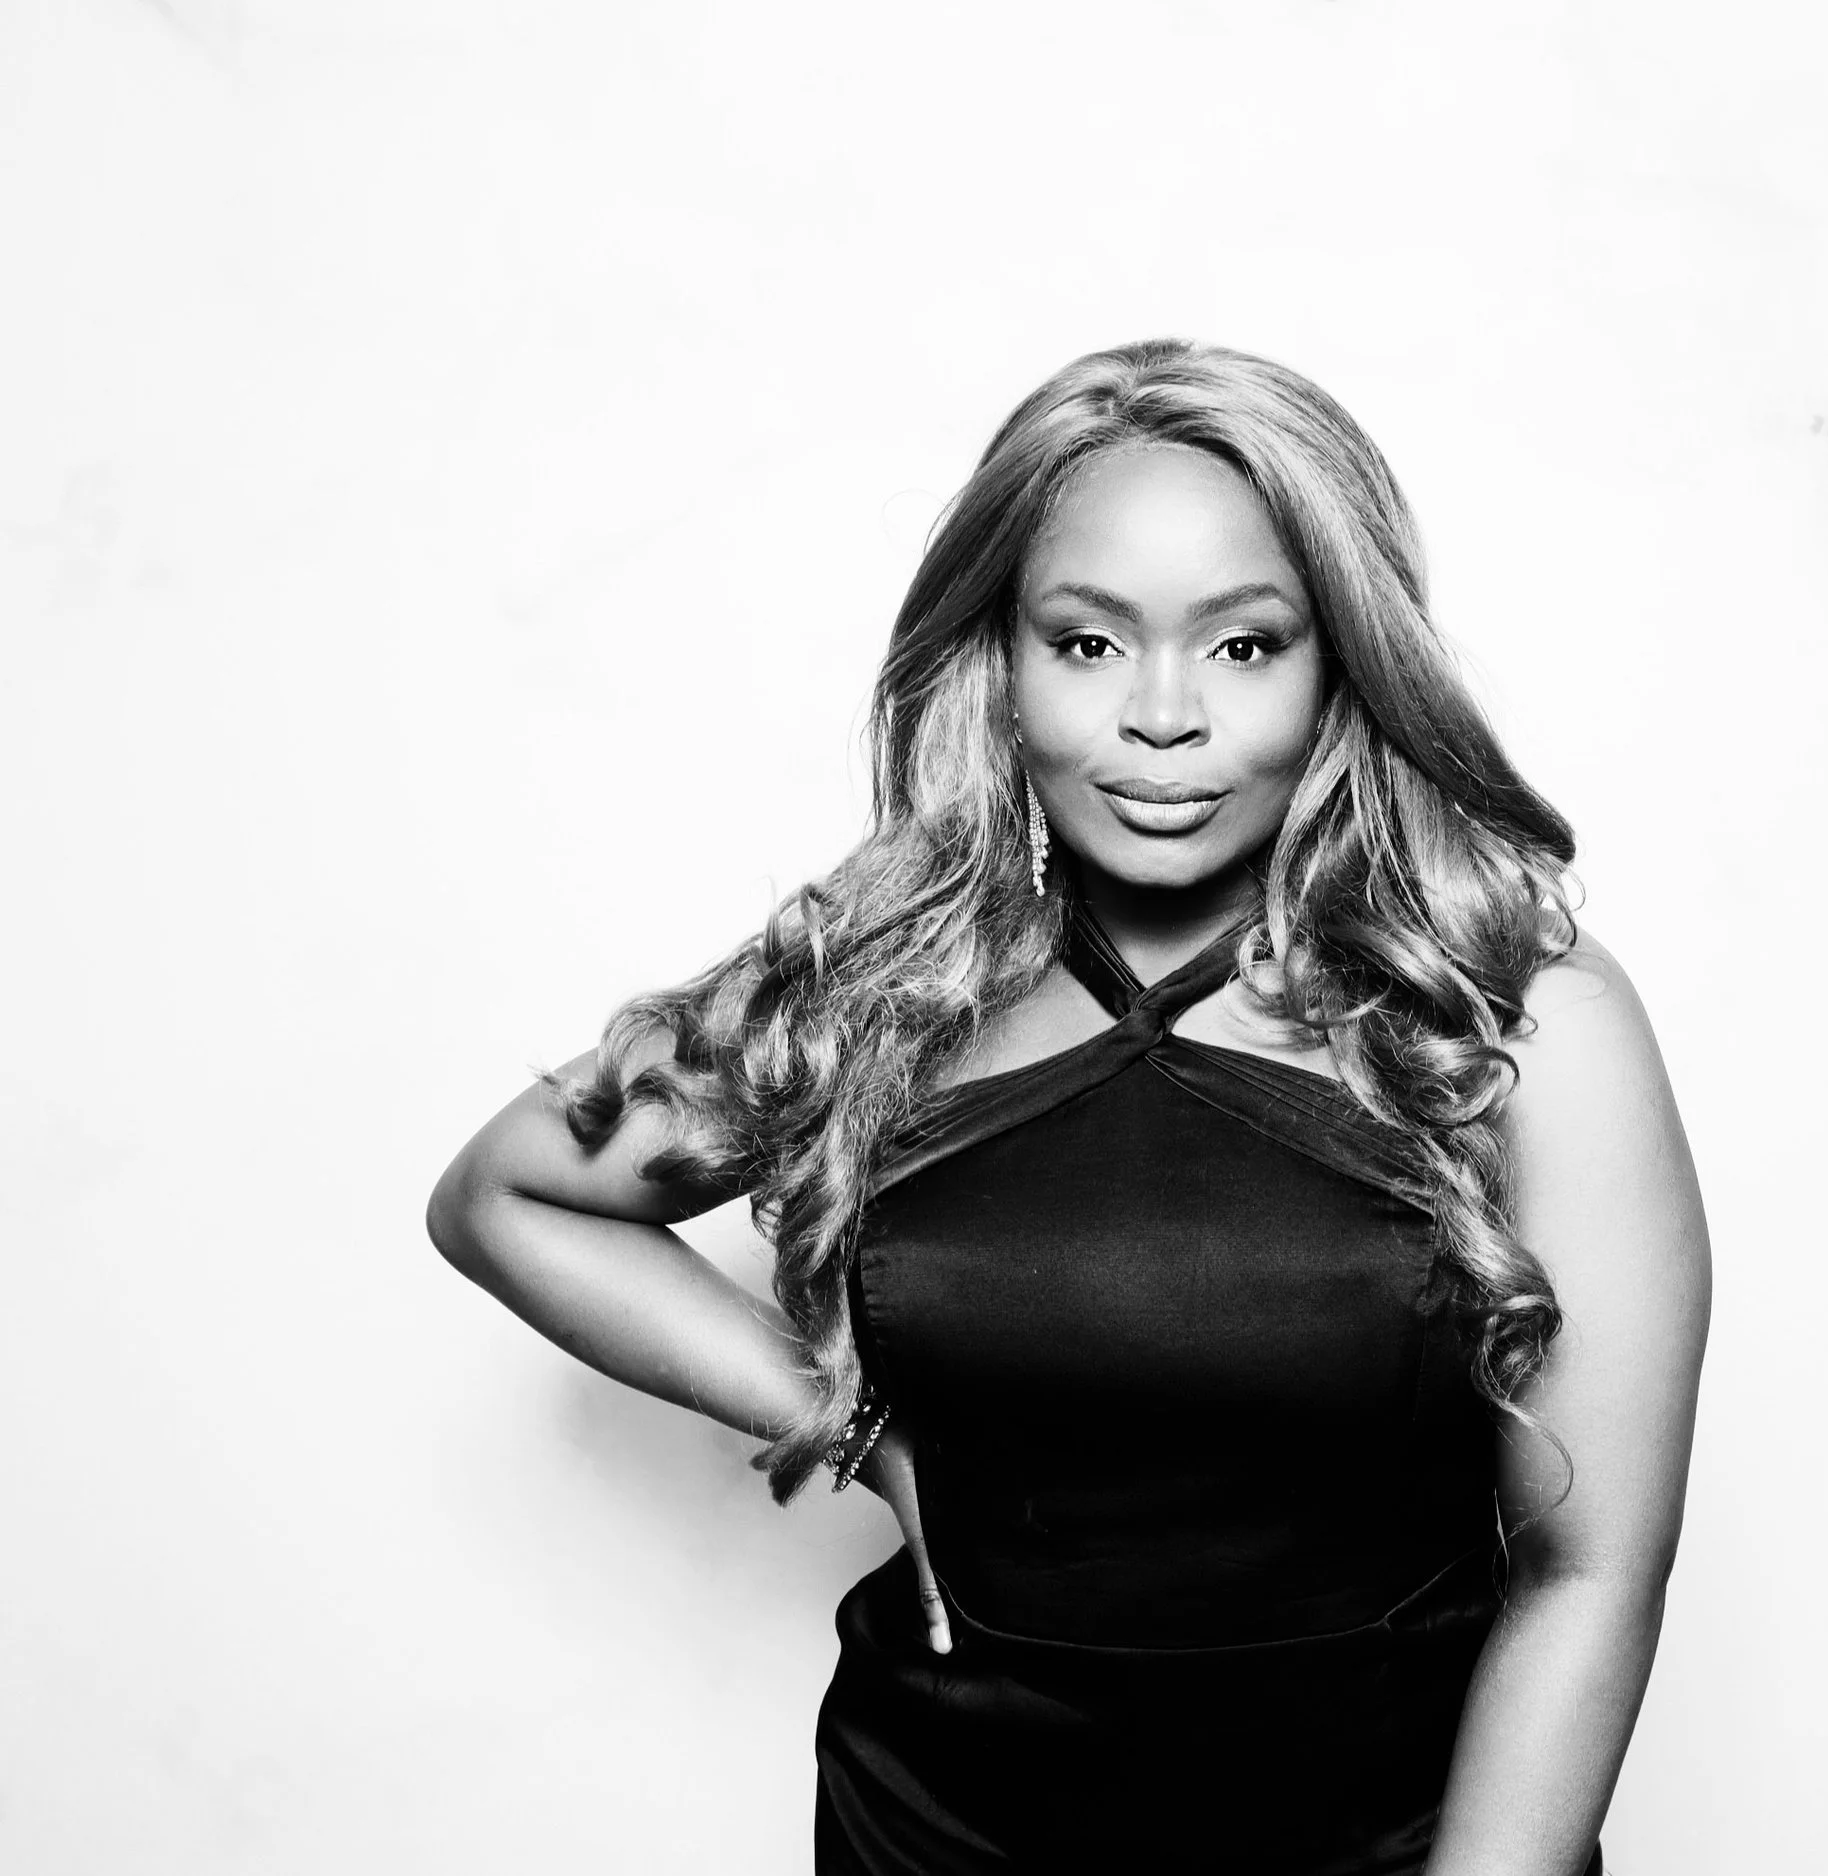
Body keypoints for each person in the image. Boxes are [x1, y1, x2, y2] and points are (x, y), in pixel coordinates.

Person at [426, 337, 1712, 1875]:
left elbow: (1588, 1572)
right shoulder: (881, 988)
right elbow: (504, 1194)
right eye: (1089, 644)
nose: (1162, 716)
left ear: (1342, 666)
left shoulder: (1521, 1021)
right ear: (1003, 663)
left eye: (1244, 646)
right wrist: (847, 1421)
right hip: (938, 1829)